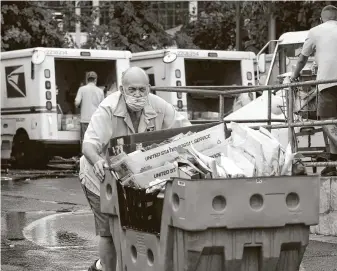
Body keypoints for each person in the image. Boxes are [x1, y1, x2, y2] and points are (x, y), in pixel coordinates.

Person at [80, 67, 191, 271]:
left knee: (136, 228)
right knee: (109, 231)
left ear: (149, 89)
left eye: (142, 90)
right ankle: (103, 267)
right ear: (122, 89)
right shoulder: (108, 109)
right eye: (132, 90)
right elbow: (88, 145)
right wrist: (97, 160)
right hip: (100, 177)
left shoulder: (159, 106)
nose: (138, 95)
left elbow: (185, 129)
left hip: (134, 176)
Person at [291, 5, 337, 176]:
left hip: (327, 83)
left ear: (321, 19)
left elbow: (303, 58)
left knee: (327, 121)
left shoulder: (315, 31)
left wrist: (294, 76)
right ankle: (332, 163)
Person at [75, 71, 104, 148]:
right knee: (94, 140)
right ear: (95, 80)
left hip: (85, 120)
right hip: (96, 120)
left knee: (85, 140)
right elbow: (103, 106)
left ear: (87, 80)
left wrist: (80, 105)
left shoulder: (82, 89)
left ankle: (84, 158)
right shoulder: (100, 91)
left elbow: (77, 102)